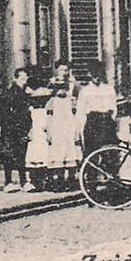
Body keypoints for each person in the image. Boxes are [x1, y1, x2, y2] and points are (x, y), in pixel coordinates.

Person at [0, 67, 33, 192]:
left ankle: (23, 181)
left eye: (26, 78)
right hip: (10, 128)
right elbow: (1, 112)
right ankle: (9, 182)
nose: (24, 81)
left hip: (22, 128)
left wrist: (29, 127)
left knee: (21, 155)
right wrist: (3, 125)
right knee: (9, 155)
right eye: (22, 78)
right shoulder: (8, 93)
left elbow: (27, 114)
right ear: (16, 78)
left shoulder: (25, 94)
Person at [45, 59, 80, 191]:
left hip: (69, 120)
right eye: (61, 70)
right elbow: (48, 106)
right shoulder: (51, 84)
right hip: (56, 121)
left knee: (70, 149)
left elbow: (76, 106)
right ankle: (58, 180)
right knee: (57, 150)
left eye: (66, 70)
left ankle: (71, 179)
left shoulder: (72, 85)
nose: (63, 72)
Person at [77, 60, 118, 156]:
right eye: (94, 74)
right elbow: (80, 112)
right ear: (90, 74)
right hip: (92, 123)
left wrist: (110, 119)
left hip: (106, 122)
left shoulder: (109, 89)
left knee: (109, 152)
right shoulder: (85, 91)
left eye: (98, 73)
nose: (97, 77)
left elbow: (114, 107)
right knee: (92, 152)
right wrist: (81, 129)